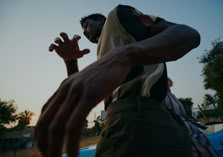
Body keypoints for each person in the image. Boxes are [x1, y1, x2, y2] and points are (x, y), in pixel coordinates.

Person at [35, 4, 206, 157]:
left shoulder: (116, 17)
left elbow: (188, 34)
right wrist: (71, 62)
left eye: (87, 25)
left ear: (101, 21)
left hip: (137, 117)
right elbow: (84, 95)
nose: (85, 32)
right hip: (121, 119)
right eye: (83, 30)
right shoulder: (106, 52)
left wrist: (123, 55)